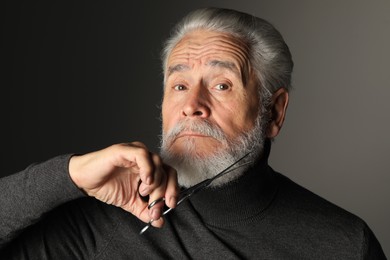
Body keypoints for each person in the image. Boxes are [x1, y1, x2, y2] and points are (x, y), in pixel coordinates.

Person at [0, 7, 386, 259]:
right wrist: (69, 176)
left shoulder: (345, 244)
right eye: (179, 86)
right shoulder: (100, 219)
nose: (191, 106)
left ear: (274, 111)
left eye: (221, 85)